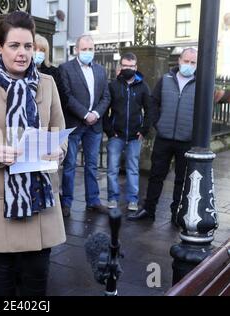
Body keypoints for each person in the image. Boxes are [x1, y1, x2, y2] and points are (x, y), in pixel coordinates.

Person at [0, 11, 67, 296]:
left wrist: (58, 150)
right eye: (14, 46)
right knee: (2, 285)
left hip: (40, 201)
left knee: (37, 282)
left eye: (28, 46)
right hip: (1, 203)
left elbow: (59, 132)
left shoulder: (48, 84)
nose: (23, 53)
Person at [128, 48, 198, 223]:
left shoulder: (200, 84)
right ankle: (149, 210)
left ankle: (177, 213)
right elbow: (153, 103)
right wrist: (157, 123)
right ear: (179, 61)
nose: (188, 65)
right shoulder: (165, 80)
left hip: (186, 140)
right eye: (186, 61)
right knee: (156, 175)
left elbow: (203, 111)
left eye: (193, 62)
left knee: (182, 179)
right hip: (164, 137)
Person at [59, 35, 111, 218]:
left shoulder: (101, 70)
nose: (88, 52)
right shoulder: (65, 69)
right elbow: (66, 96)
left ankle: (93, 201)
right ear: (76, 50)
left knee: (92, 165)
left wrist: (95, 114)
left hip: (94, 126)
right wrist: (85, 114)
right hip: (74, 124)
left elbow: (106, 97)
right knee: (70, 165)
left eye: (91, 49)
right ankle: (66, 202)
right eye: (84, 49)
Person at [104, 52, 153, 211]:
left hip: (134, 136)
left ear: (136, 67)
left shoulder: (143, 86)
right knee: (112, 169)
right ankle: (112, 198)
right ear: (120, 67)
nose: (128, 69)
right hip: (116, 135)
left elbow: (150, 110)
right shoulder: (113, 86)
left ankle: (133, 199)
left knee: (133, 169)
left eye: (131, 66)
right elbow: (105, 111)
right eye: (125, 66)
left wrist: (143, 130)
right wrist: (110, 131)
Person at [34, 34, 66, 105]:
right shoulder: (21, 70)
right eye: (34, 49)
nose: (38, 52)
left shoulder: (54, 72)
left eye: (42, 50)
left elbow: (62, 97)